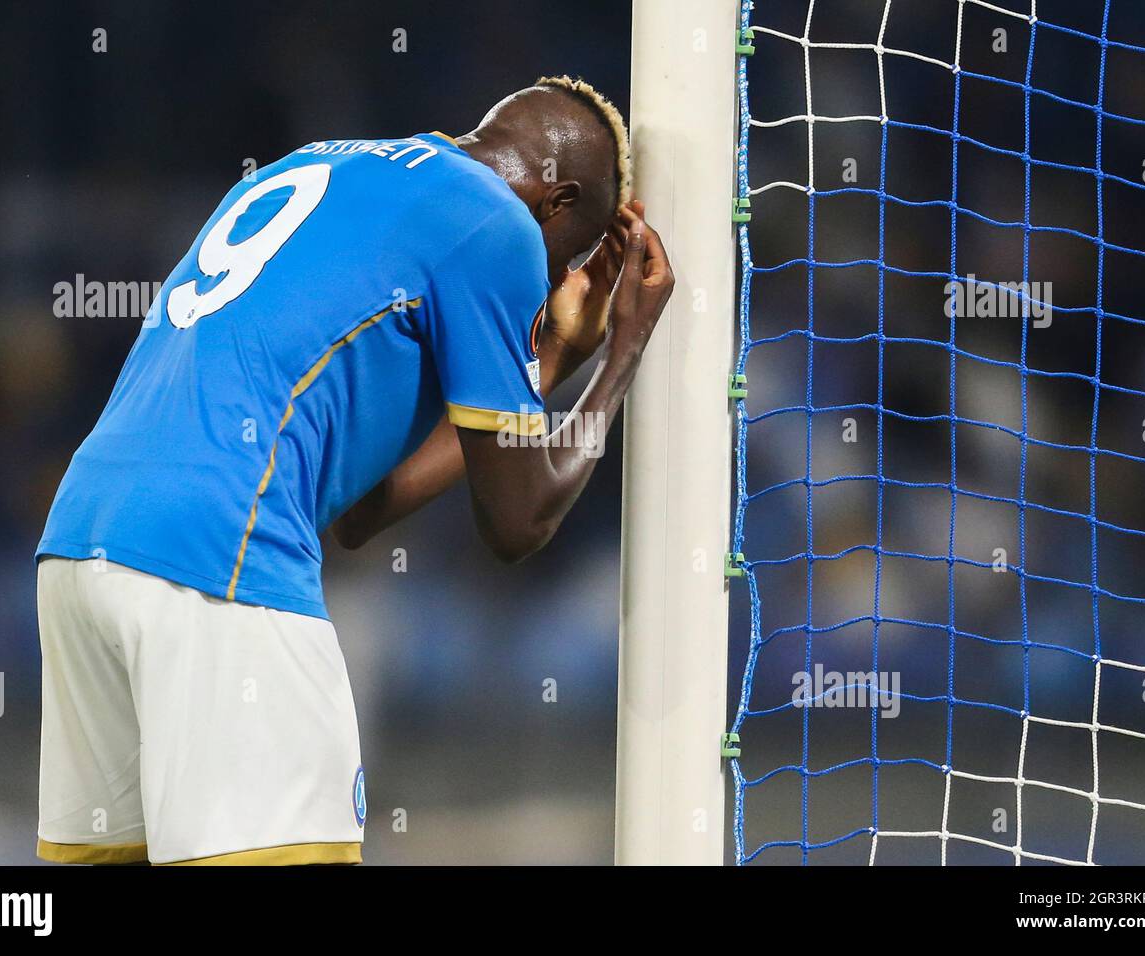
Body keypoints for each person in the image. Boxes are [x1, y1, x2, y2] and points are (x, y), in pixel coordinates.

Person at [34, 76, 674, 865]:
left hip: (81, 546)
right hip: (222, 558)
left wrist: (554, 358)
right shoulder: (497, 225)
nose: (553, 288)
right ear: (556, 200)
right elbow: (519, 520)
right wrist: (622, 352)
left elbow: (359, 511)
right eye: (571, 259)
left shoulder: (320, 168)